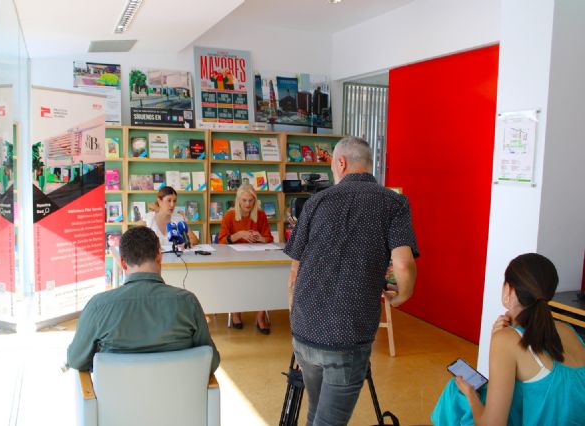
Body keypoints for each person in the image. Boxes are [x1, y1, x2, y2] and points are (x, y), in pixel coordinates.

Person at [284, 136, 418, 425]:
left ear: (341, 163)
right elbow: (404, 264)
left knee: (315, 411)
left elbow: (294, 271)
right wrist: (402, 295)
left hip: (305, 331)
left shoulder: (315, 202)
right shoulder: (393, 203)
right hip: (348, 335)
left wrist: (296, 319)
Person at [431, 253, 585, 425]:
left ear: (509, 289)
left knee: (456, 394)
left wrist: (470, 395)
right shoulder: (569, 331)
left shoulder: (506, 340)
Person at [66, 226, 220, 372]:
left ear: (123, 264)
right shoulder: (188, 303)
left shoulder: (98, 306)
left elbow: (76, 360)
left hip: (117, 398)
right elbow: (211, 361)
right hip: (177, 397)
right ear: (159, 257)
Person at [218, 183, 273, 334]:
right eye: (244, 200)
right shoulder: (230, 215)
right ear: (238, 201)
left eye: (250, 200)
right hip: (235, 258)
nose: (247, 204)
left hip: (257, 257)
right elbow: (221, 240)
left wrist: (260, 238)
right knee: (237, 278)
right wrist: (239, 235)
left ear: (255, 201)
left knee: (265, 280)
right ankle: (236, 312)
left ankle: (260, 317)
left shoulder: (260, 215)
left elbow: (269, 237)